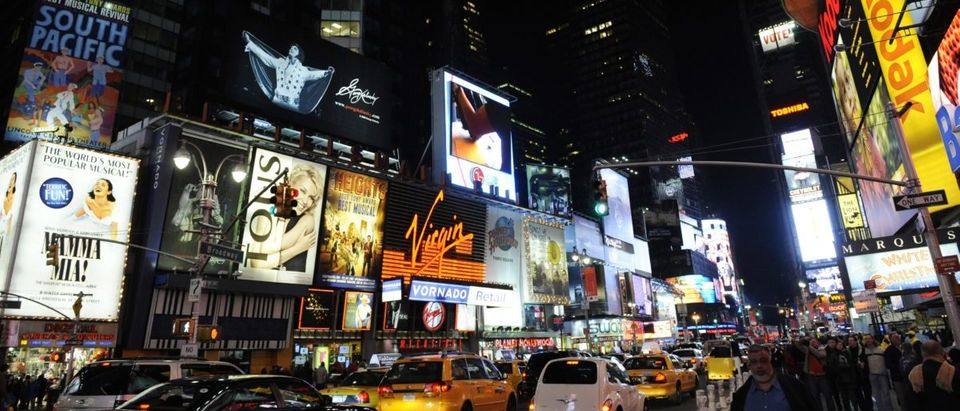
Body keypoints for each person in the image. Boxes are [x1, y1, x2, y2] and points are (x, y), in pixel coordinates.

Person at [242, 31, 334, 113]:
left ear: (299, 54)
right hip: (276, 101)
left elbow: (314, 75)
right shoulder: (280, 62)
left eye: (294, 49)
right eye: (291, 48)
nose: (291, 49)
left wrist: (327, 72)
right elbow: (265, 56)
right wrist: (250, 43)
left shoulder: (303, 70)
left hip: (293, 106)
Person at [731, 344, 819, 411]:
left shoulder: (795, 387)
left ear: (770, 361)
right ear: (749, 366)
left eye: (763, 361)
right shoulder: (740, 396)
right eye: (754, 362)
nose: (759, 366)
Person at [905, 340, 960, 408]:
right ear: (941, 352)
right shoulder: (951, 371)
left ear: (923, 354)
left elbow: (911, 402)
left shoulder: (914, 374)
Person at [797, 337, 836, 411]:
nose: (812, 343)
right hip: (811, 376)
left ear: (818, 343)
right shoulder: (807, 350)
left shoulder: (822, 349)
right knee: (815, 397)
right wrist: (804, 339)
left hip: (822, 376)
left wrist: (809, 346)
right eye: (811, 342)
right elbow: (798, 345)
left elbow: (819, 355)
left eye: (814, 342)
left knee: (828, 395)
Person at [862, 334, 893, 411]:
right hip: (872, 375)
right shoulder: (864, 351)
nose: (868, 340)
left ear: (873, 339)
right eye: (866, 339)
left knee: (886, 394)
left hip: (882, 374)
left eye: (869, 339)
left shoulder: (881, 349)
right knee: (876, 395)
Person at [846, 335, 872, 411]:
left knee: (867, 393)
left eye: (851, 341)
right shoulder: (847, 351)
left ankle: (869, 408)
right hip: (854, 376)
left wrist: (864, 364)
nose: (850, 342)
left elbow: (867, 360)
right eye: (849, 341)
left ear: (855, 341)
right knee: (859, 395)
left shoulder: (862, 349)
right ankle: (863, 408)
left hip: (864, 375)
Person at [884, 332, 907, 407]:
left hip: (907, 376)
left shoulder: (904, 347)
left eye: (898, 337)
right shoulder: (889, 350)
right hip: (897, 377)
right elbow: (888, 364)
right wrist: (899, 366)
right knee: (901, 397)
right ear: (891, 339)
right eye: (895, 337)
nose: (897, 339)